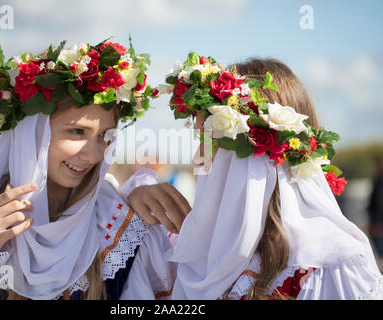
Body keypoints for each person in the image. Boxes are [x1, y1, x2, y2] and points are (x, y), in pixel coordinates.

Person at [0, 39, 189, 300]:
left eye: (105, 135)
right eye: (77, 131)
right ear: (32, 132)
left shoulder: (119, 229)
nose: (94, 154)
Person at [162, 54, 383, 299]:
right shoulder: (197, 252)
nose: (197, 158)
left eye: (209, 140)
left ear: (256, 152)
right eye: (200, 139)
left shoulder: (330, 266)